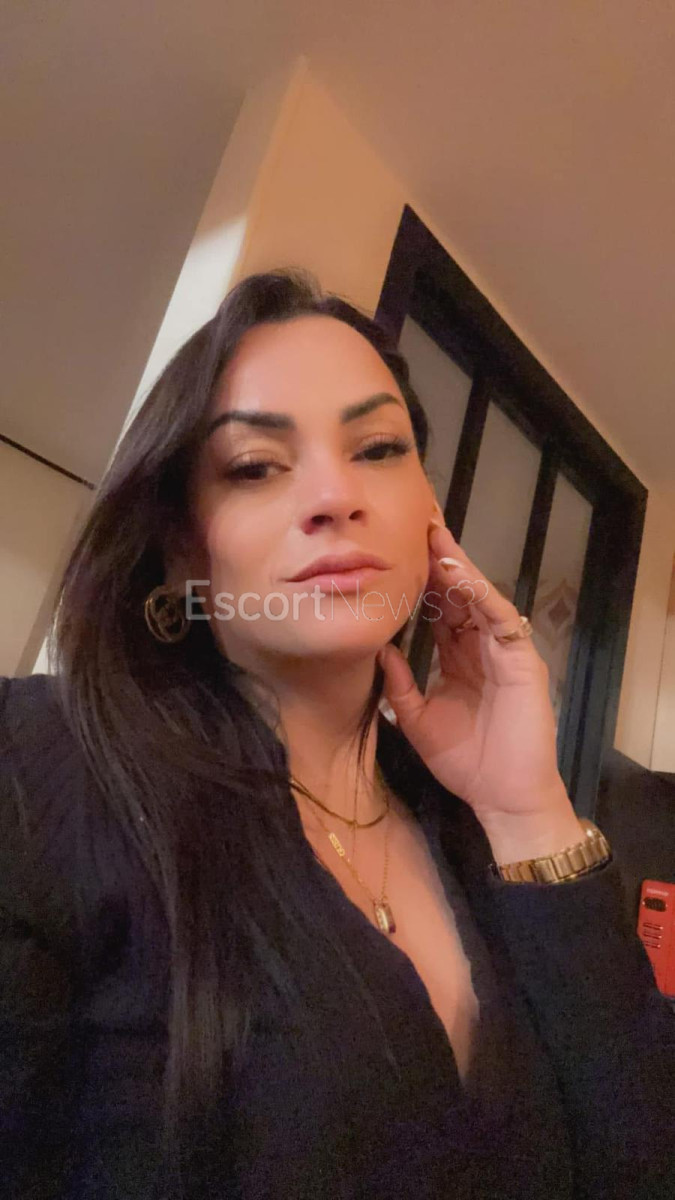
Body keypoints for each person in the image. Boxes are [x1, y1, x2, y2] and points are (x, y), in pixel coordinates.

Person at [1, 267, 673, 1200]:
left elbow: (640, 1147)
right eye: (253, 465)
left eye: (378, 448)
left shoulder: (467, 824)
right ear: (184, 547)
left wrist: (527, 810)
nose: (333, 494)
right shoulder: (32, 770)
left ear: (429, 518)